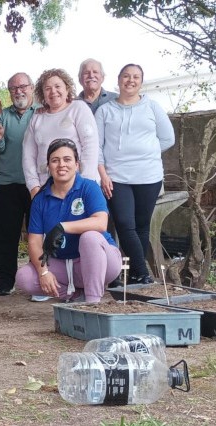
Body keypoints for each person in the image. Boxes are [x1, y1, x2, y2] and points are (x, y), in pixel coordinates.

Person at [96, 64, 175, 284]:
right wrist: (103, 174)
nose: (130, 80)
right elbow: (96, 147)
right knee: (124, 223)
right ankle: (143, 273)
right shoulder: (105, 110)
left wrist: (146, 153)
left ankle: (133, 276)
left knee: (141, 226)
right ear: (118, 79)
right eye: (126, 76)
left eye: (136, 77)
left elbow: (168, 138)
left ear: (141, 81)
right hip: (116, 177)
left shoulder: (152, 107)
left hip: (148, 176)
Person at [15, 139, 122, 302]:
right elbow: (34, 243)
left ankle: (92, 303)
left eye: (67, 159)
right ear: (48, 166)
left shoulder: (89, 187)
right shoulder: (40, 199)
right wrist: (44, 272)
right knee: (24, 277)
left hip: (103, 262)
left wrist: (62, 227)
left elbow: (101, 223)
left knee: (90, 237)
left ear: (77, 164)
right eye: (55, 160)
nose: (61, 165)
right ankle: (75, 295)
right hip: (63, 264)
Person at [0, 72, 40, 296]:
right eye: (13, 88)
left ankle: (39, 277)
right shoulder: (0, 116)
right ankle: (6, 281)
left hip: (37, 184)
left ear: (31, 88)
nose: (18, 91)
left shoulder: (42, 113)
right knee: (5, 235)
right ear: (9, 92)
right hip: (7, 182)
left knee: (38, 234)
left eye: (23, 86)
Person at [23, 68, 99, 199]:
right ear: (42, 94)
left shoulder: (78, 108)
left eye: (58, 86)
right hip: (45, 189)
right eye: (47, 88)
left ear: (67, 89)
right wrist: (34, 186)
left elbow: (90, 146)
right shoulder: (37, 117)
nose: (53, 91)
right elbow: (28, 154)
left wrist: (85, 185)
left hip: (79, 186)